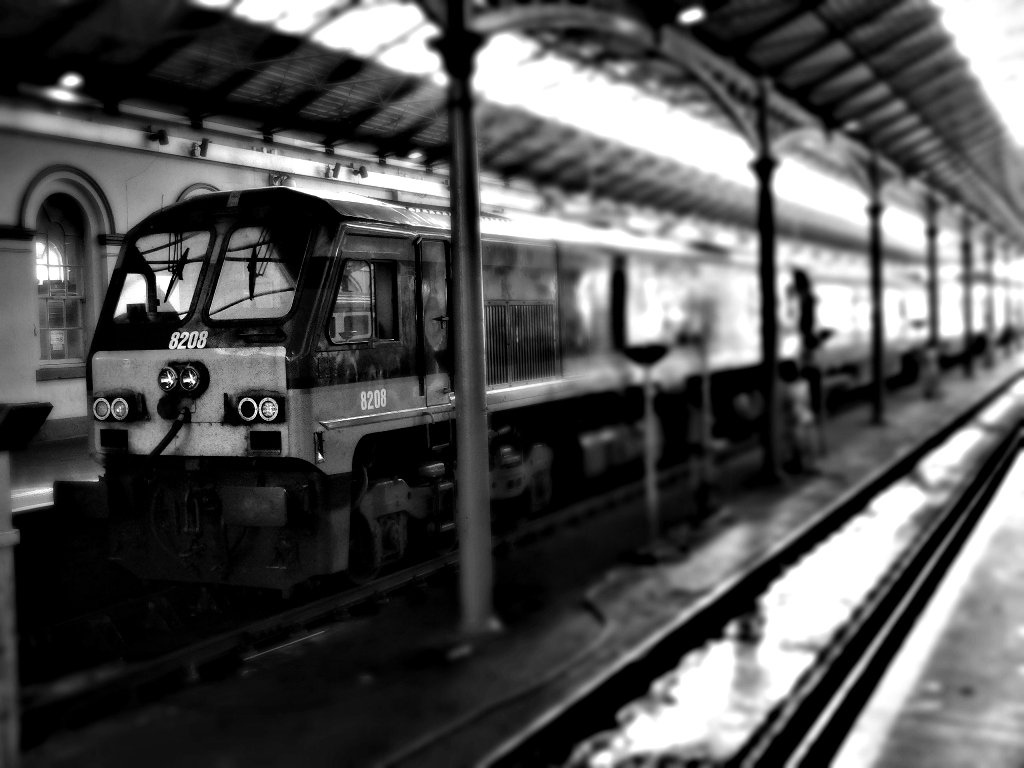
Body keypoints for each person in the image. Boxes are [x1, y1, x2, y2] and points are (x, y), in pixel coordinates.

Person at [780, 360, 818, 473]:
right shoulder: (804, 383)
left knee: (797, 444)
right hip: (807, 416)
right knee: (807, 442)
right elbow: (809, 400)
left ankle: (801, 465)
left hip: (796, 419)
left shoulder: (787, 388)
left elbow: (788, 405)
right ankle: (807, 464)